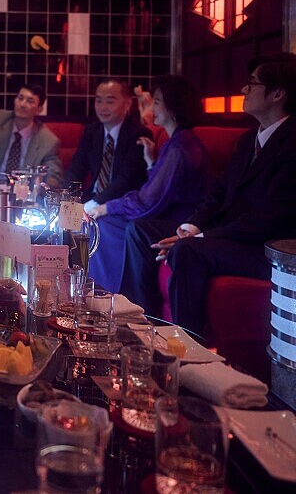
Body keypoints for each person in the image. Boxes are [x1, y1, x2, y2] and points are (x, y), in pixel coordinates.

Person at [121, 53, 296, 335]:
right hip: (226, 234)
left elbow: (271, 220)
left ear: (277, 94)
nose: (244, 89)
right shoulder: (249, 139)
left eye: (252, 83)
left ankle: (188, 345)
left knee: (188, 250)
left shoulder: (291, 144)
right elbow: (219, 192)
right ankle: (141, 326)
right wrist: (191, 226)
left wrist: (200, 237)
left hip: (263, 248)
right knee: (140, 230)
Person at [86, 75, 208, 292]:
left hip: (175, 221)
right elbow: (160, 189)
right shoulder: (177, 142)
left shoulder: (179, 147)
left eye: (157, 102)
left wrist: (107, 207)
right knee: (101, 222)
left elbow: (148, 199)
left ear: (173, 107)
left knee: (101, 224)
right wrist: (152, 163)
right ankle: (102, 290)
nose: (152, 108)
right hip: (164, 214)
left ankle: (108, 293)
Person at [63, 78, 150, 210]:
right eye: (98, 101)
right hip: (91, 197)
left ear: (127, 104)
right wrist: (66, 198)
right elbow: (76, 169)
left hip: (121, 204)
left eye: (110, 101)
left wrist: (91, 205)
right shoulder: (92, 131)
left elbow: (126, 180)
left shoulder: (138, 134)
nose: (102, 107)